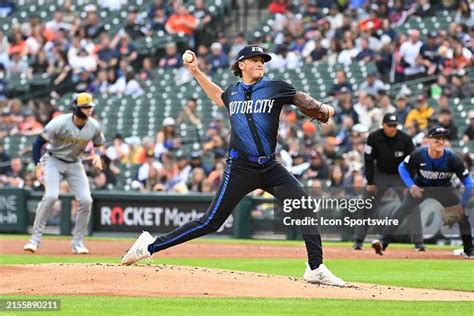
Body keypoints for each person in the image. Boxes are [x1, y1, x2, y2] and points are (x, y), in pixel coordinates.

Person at [122, 46, 345, 286]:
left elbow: (300, 99)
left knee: (304, 205)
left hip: (270, 167)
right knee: (211, 222)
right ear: (241, 65)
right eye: (255, 60)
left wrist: (321, 109)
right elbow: (218, 97)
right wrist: (196, 72)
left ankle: (315, 267)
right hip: (239, 168)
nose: (260, 64)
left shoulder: (274, 87)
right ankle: (150, 246)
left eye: (262, 60)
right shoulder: (233, 92)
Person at [372, 127, 473, 259]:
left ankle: (469, 250)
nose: (441, 142)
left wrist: (462, 204)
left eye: (443, 139)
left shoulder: (452, 158)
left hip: (443, 189)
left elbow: (469, 183)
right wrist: (411, 185)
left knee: (461, 216)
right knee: (402, 210)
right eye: (437, 139)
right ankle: (383, 242)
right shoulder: (419, 154)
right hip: (420, 188)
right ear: (428, 141)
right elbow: (402, 167)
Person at [23, 93, 105, 254]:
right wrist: (37, 165)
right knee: (51, 196)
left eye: (90, 107)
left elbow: (99, 144)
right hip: (53, 160)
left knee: (86, 200)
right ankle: (34, 240)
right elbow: (38, 142)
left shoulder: (93, 125)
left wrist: (97, 155)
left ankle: (78, 242)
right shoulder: (59, 122)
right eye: (86, 107)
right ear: (76, 108)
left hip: (75, 163)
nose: (89, 110)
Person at [353, 113, 424, 251]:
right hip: (380, 175)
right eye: (390, 125)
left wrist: (411, 184)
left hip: (400, 175)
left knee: (412, 205)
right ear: (383, 125)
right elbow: (368, 160)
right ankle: (358, 241)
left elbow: (414, 162)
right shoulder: (374, 137)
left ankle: (418, 243)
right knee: (367, 206)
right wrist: (370, 181)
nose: (393, 128)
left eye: (395, 125)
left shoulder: (405, 139)